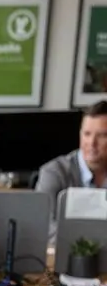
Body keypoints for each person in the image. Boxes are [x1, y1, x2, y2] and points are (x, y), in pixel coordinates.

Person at [36, 101, 107, 238]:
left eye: (102, 136)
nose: (91, 143)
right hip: (67, 254)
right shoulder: (54, 172)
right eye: (87, 134)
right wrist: (87, 246)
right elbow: (44, 225)